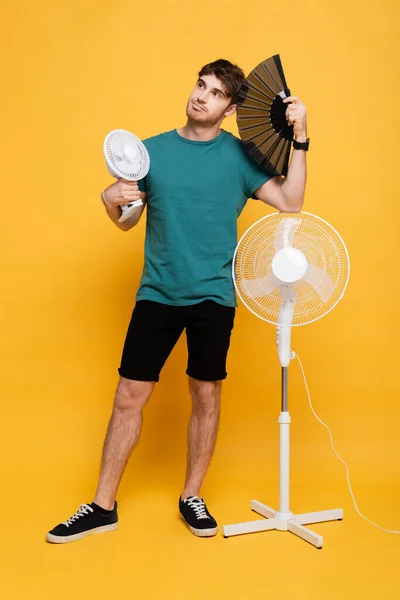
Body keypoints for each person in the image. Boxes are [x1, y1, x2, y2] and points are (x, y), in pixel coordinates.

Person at [46, 59, 308, 544]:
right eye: (200, 85)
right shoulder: (149, 153)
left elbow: (291, 201)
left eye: (214, 94)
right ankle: (103, 506)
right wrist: (110, 199)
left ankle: (192, 495)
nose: (201, 96)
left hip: (214, 295)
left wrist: (302, 138)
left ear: (229, 109)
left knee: (205, 395)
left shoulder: (238, 156)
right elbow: (126, 221)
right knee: (129, 396)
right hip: (158, 293)